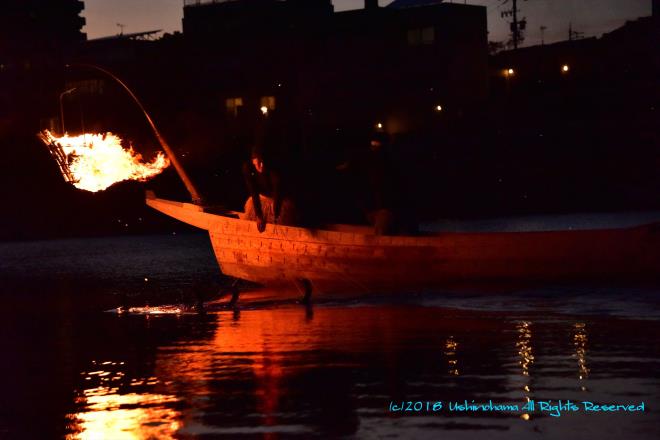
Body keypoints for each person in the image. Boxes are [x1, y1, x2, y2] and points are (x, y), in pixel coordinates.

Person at [242, 145, 296, 232]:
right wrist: (259, 215)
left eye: (263, 162)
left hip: (276, 200)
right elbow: (253, 192)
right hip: (261, 198)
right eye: (259, 163)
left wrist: (276, 212)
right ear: (253, 162)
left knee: (278, 224)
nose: (262, 166)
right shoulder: (248, 168)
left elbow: (277, 192)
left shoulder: (273, 171)